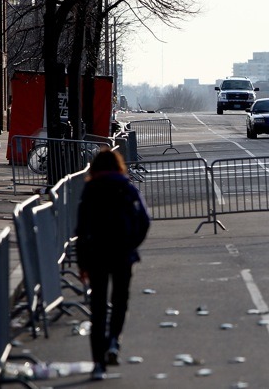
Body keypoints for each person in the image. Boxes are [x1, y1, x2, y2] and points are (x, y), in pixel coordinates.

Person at [75, 149, 150, 380]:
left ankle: (98, 363)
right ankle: (114, 341)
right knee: (120, 300)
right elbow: (144, 220)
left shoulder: (90, 189)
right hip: (123, 253)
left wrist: (82, 263)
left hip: (97, 254)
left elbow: (82, 227)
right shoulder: (126, 186)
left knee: (97, 308)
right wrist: (132, 243)